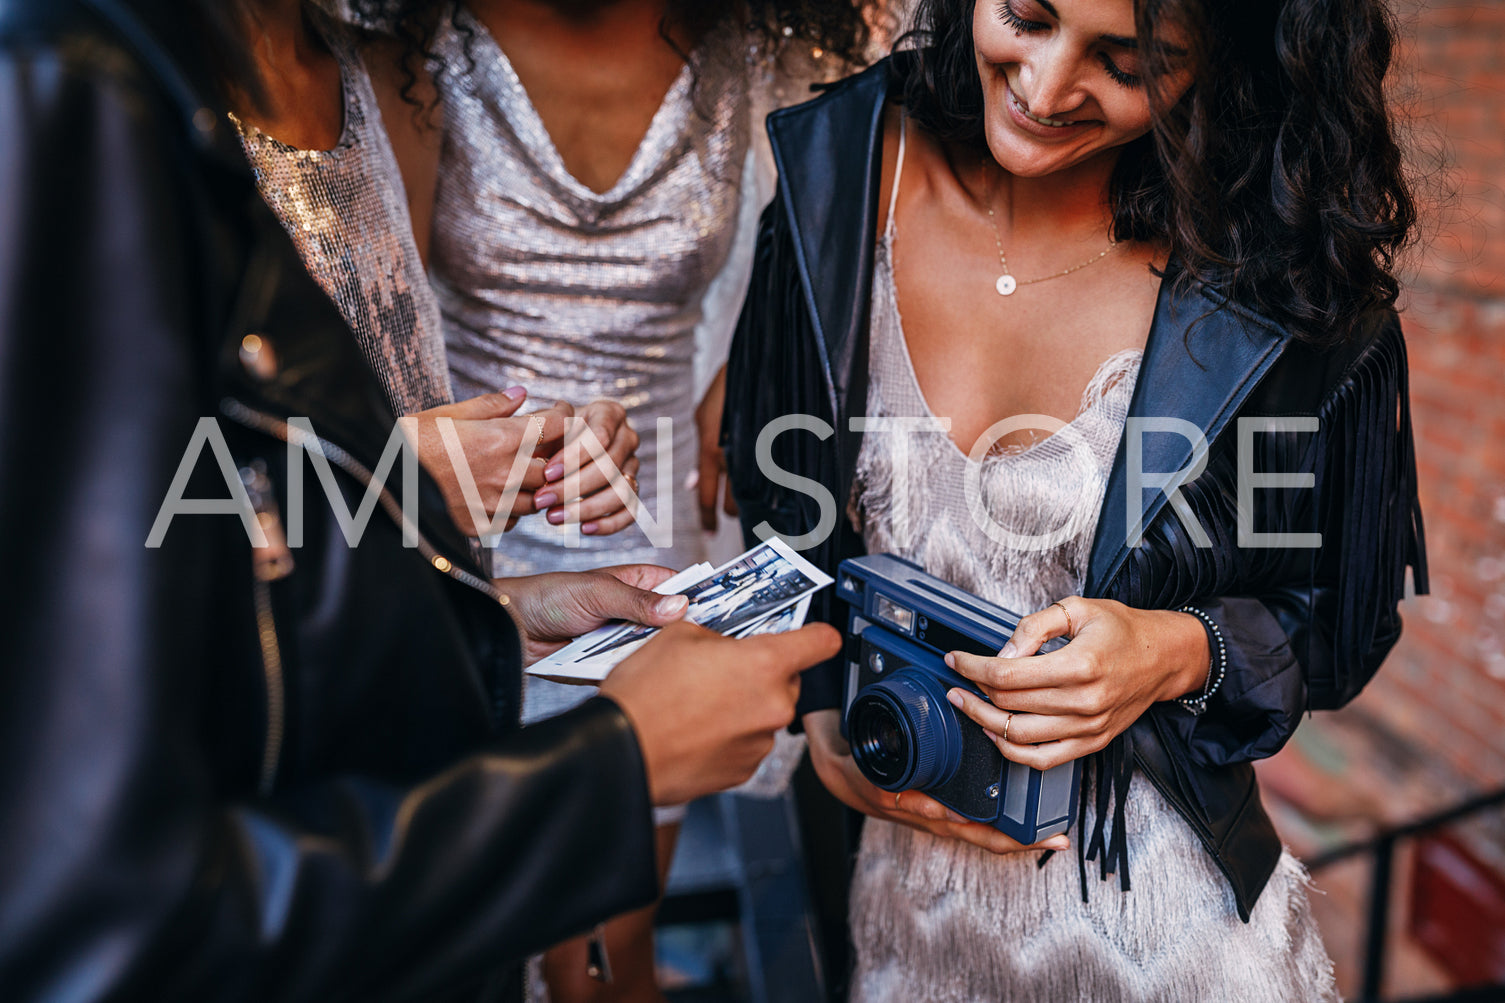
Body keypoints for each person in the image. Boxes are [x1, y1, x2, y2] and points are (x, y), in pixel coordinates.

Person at [0, 2, 841, 1001]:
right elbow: (97, 908)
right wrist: (606, 775)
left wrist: (495, 611)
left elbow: (257, 601)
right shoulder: (69, 93)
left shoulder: (326, 59)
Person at [722, 0, 1427, 998]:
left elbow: (1333, 625)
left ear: (1224, 62)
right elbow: (779, 511)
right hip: (898, 919)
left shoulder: (1279, 271)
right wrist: (822, 707)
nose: (1045, 89)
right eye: (1024, 16)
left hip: (1170, 944)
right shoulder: (834, 167)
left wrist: (1172, 651)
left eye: (1130, 60)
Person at [350, 2, 884, 998]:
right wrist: (448, 490)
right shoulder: (417, 47)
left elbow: (845, 198)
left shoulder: (753, 39)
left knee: (616, 935)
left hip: (650, 521)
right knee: (506, 930)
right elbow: (389, 334)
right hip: (472, 520)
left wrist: (741, 357)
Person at [225, 0, 641, 541]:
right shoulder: (141, 110)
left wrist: (554, 445)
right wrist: (397, 473)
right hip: (301, 606)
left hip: (430, 586)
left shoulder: (392, 76)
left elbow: (410, 378)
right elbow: (140, 492)